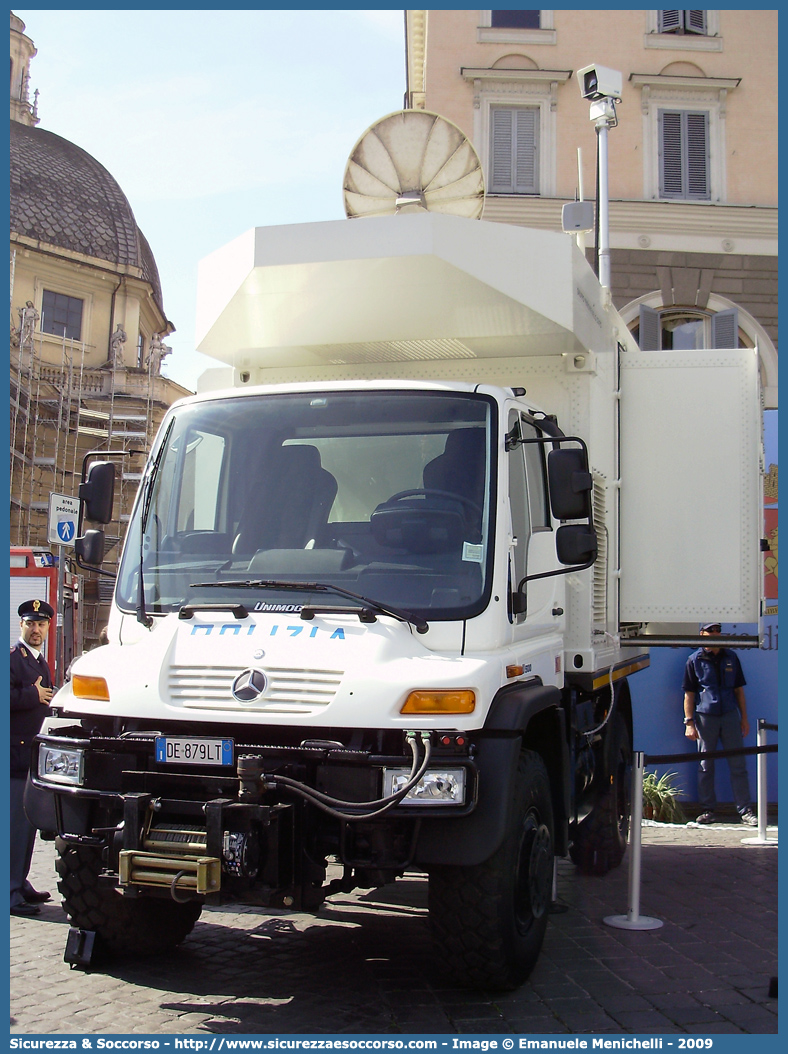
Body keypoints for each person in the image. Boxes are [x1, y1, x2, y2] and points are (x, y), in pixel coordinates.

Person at [683, 622, 758, 826]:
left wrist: (744, 718)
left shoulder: (731, 657)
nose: (715, 634)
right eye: (710, 631)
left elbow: (739, 691)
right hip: (705, 717)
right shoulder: (694, 660)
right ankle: (707, 810)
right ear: (701, 634)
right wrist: (689, 722)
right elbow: (689, 694)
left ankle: (745, 810)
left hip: (729, 716)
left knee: (738, 765)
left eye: (717, 630)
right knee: (705, 765)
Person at [10, 599, 55, 915]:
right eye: (30, 624)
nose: (36, 629)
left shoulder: (40, 661)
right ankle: (9, 892)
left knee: (26, 826)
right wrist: (32, 695)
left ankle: (20, 881)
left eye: (41, 624)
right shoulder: (13, 658)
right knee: (12, 826)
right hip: (13, 755)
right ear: (21, 626)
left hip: (28, 755)